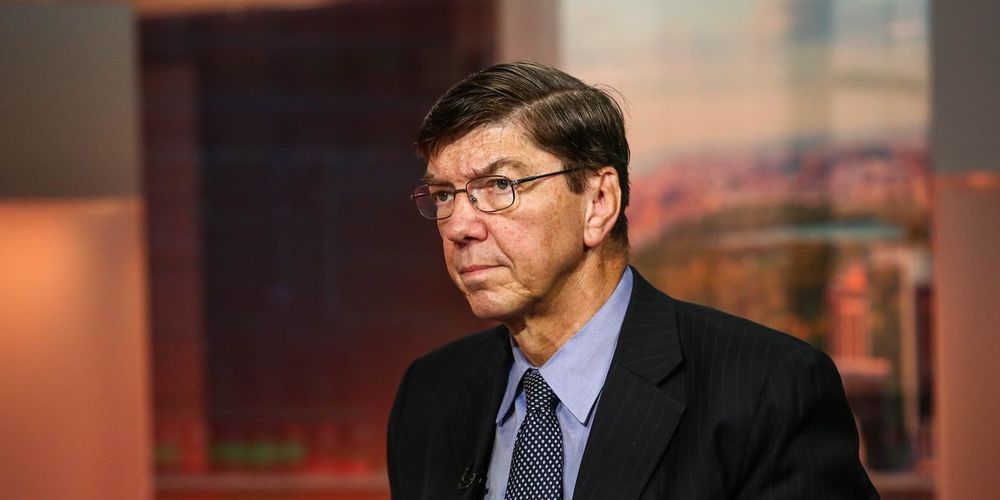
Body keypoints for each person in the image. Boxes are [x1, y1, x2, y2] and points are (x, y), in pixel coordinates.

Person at [387, 61, 878, 500]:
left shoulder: (765, 388)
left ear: (599, 203)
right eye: (444, 194)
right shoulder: (430, 394)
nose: (458, 226)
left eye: (499, 186)